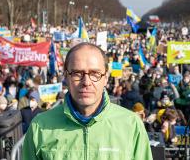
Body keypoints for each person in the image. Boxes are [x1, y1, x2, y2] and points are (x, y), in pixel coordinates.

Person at [22, 42, 152, 159]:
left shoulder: (131, 125)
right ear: (66, 77)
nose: (86, 82)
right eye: (77, 73)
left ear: (105, 78)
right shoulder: (39, 126)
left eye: (95, 73)